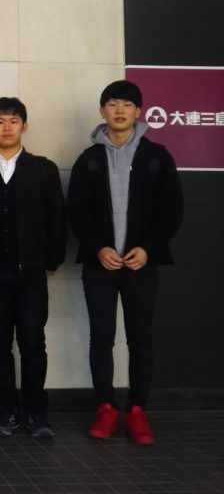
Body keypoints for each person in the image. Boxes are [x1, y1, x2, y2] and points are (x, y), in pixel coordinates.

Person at [67, 80, 182, 445]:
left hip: (140, 266)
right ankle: (105, 407)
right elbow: (77, 212)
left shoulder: (157, 156)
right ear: (103, 110)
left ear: (138, 111)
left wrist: (147, 248)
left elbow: (171, 211)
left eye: (127, 105)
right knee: (101, 339)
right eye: (113, 104)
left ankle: (137, 411)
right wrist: (98, 247)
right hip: (100, 266)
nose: (119, 110)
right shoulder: (88, 159)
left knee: (140, 339)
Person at [0, 97, 66, 439]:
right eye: (0, 121)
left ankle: (36, 412)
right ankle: (5, 410)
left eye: (13, 121)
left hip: (31, 273)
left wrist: (50, 261)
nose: (7, 127)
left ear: (24, 126)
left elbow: (57, 218)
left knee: (33, 342)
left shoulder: (43, 169)